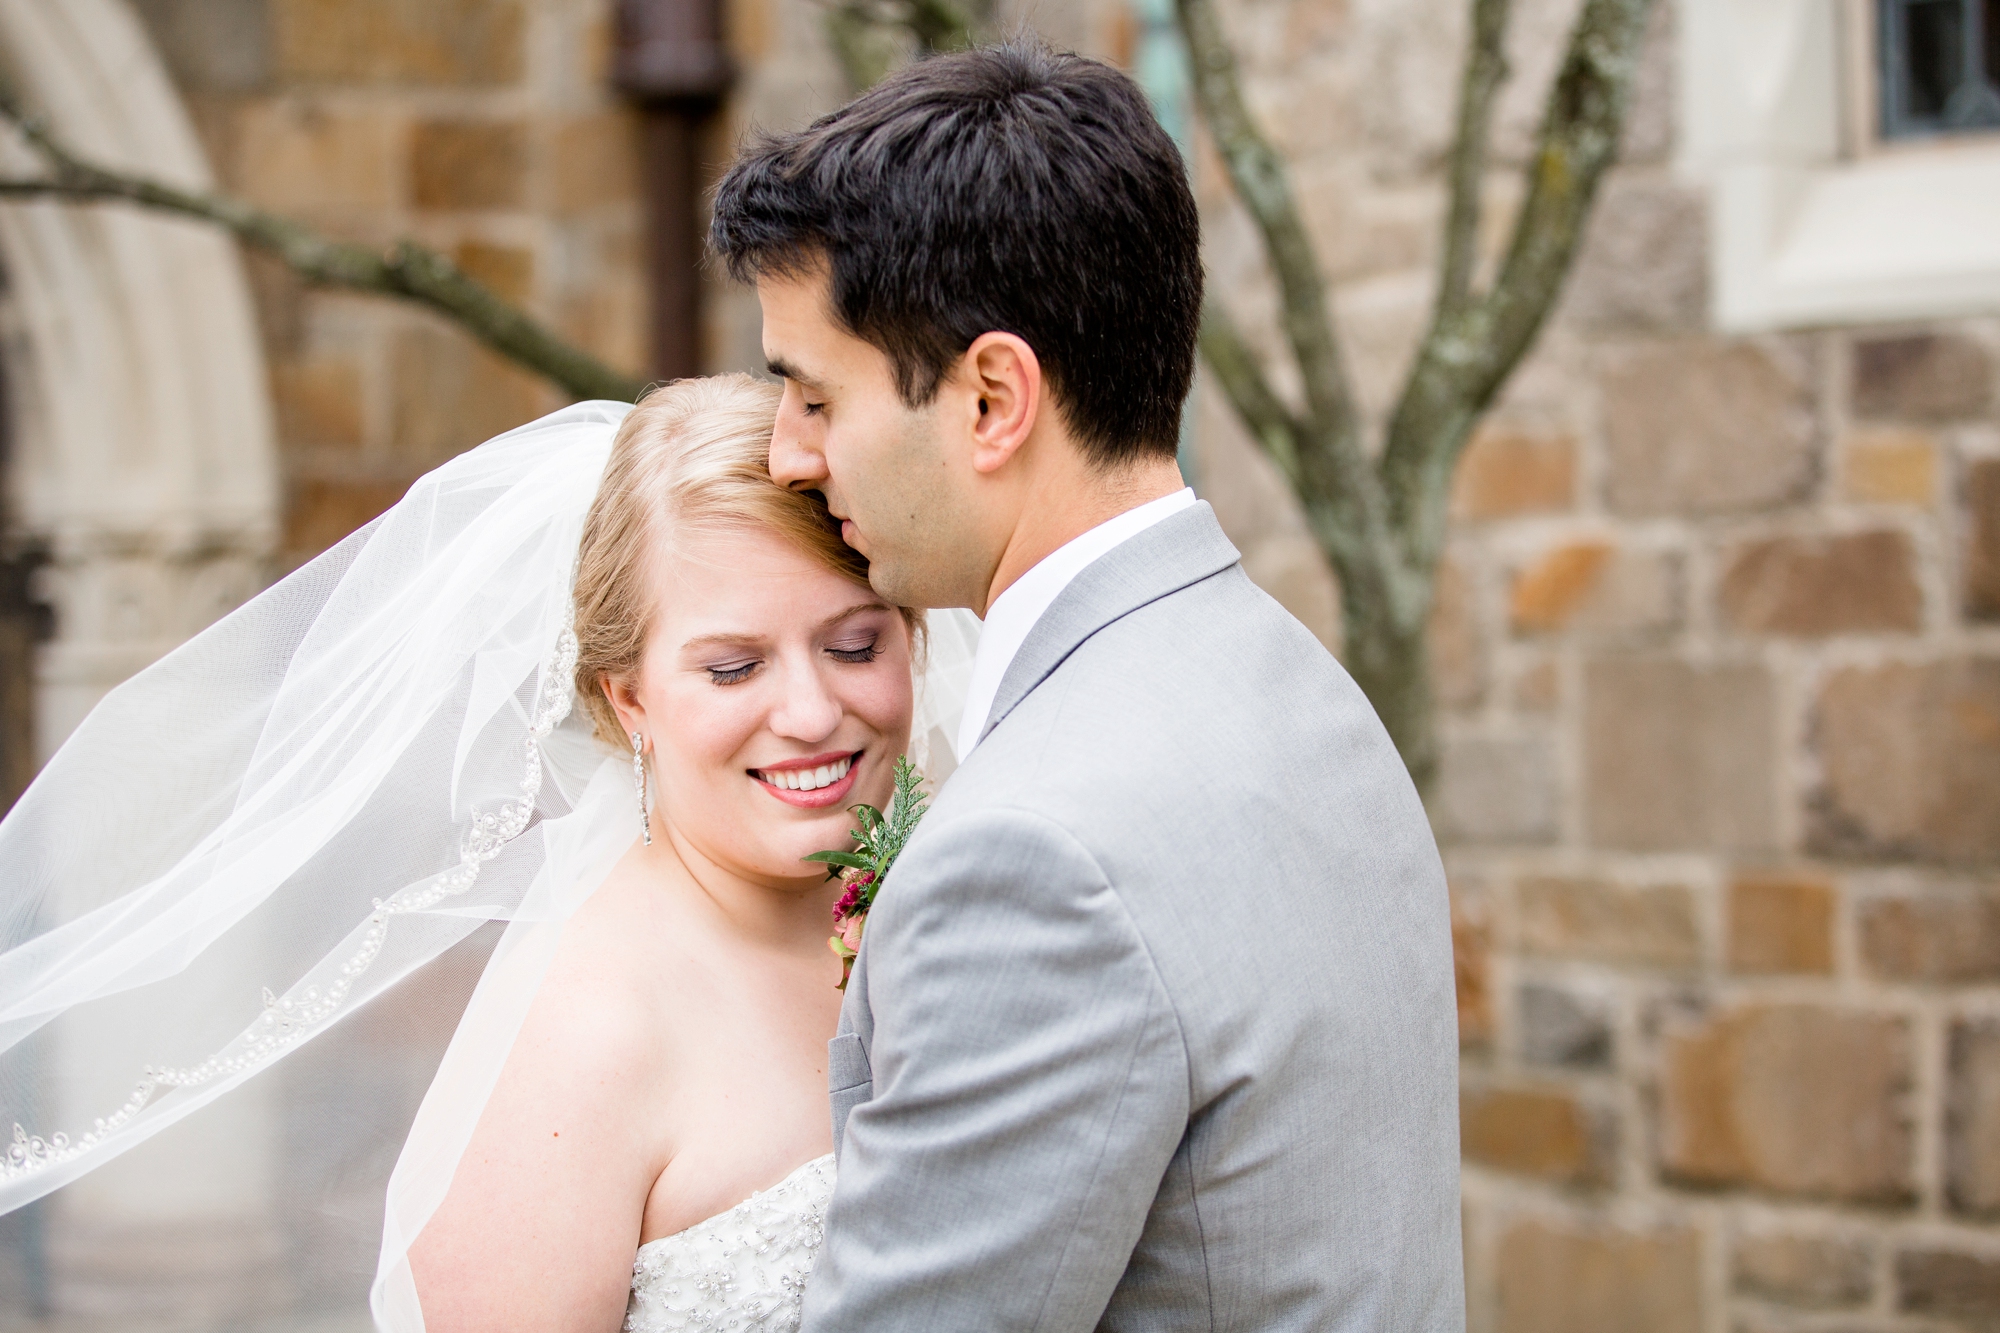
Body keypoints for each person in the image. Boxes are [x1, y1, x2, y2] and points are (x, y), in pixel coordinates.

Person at [710, 40, 1465, 1331]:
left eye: (816, 398)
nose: (787, 454)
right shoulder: (1304, 688)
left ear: (994, 397)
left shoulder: (1031, 858)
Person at [0, 375, 979, 1333]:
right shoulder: (591, 1036)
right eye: (732, 666)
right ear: (626, 698)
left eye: (854, 646)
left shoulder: (950, 910)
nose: (810, 712)